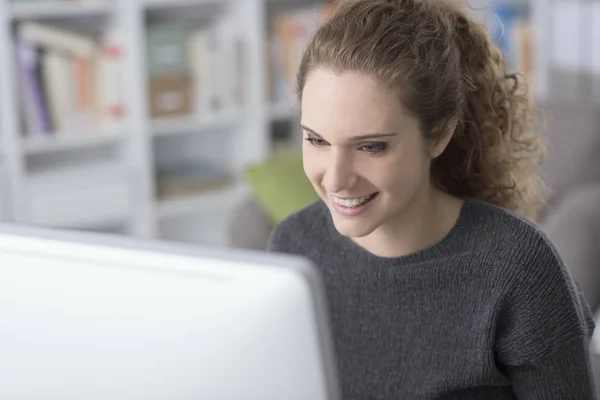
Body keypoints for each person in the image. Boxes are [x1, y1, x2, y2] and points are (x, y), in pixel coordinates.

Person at [266, 0, 598, 398]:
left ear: (438, 135)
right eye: (316, 140)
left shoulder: (519, 269)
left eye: (371, 147)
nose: (335, 178)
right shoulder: (293, 248)